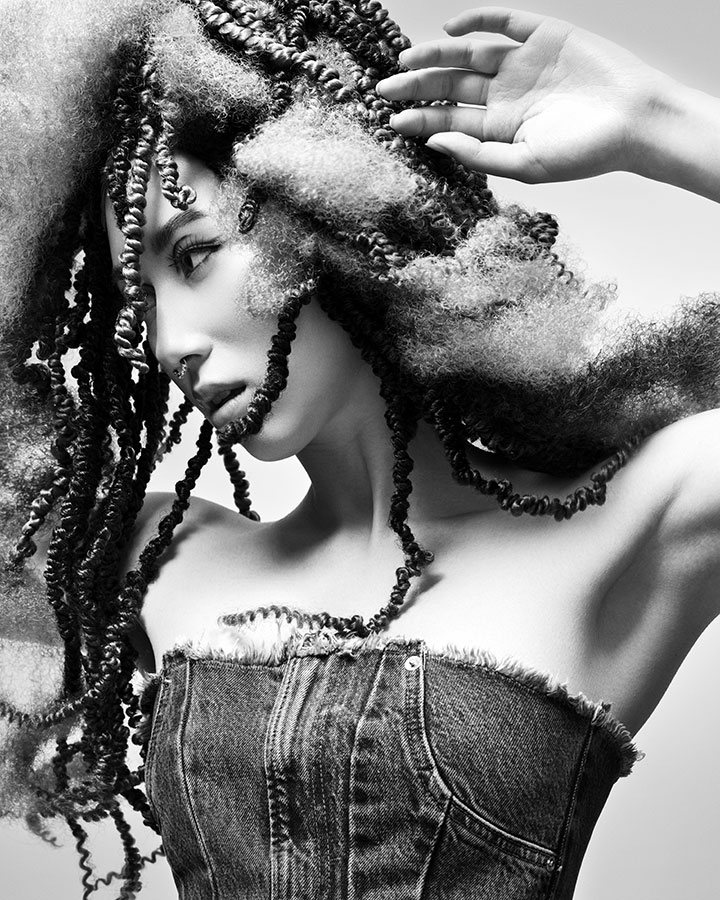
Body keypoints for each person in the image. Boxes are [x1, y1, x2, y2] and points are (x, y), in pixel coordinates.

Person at [1, 1, 720, 897]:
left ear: (326, 209)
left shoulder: (633, 521)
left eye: (194, 255)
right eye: (137, 302)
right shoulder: (157, 555)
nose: (170, 342)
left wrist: (659, 122)